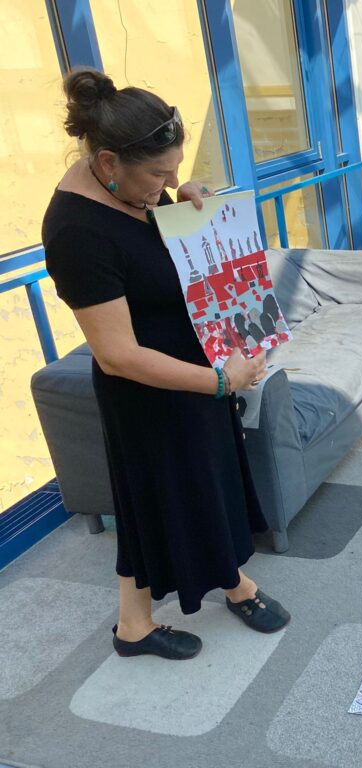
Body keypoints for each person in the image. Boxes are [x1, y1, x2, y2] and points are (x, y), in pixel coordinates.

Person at [42, 67, 290, 661]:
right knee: (162, 499)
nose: (169, 180)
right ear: (108, 162)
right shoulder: (76, 233)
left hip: (193, 366)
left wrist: (179, 205)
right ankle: (153, 619)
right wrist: (220, 380)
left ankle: (195, 598)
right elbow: (117, 355)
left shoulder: (127, 189)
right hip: (149, 389)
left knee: (206, 484)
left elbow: (148, 255)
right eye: (159, 173)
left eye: (174, 169)